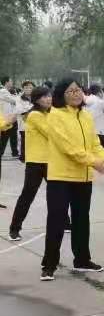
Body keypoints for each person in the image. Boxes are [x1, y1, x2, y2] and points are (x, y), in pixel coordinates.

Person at [41, 79, 104, 281]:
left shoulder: (85, 116)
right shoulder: (55, 115)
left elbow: (94, 144)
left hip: (82, 177)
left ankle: (82, 260)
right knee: (57, 220)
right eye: (71, 91)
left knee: (81, 220)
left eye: (78, 90)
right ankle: (49, 265)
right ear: (62, 94)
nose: (76, 94)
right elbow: (68, 148)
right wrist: (95, 163)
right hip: (60, 177)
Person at [9, 87, 53, 240]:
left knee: (56, 194)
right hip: (36, 162)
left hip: (50, 160)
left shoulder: (49, 113)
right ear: (36, 99)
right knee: (28, 195)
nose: (48, 99)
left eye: (49, 96)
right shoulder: (34, 115)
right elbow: (51, 133)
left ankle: (65, 223)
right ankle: (14, 228)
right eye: (44, 97)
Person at [15, 81, 33, 162]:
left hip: (34, 124)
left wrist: (27, 109)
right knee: (24, 142)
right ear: (23, 88)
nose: (28, 89)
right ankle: (23, 158)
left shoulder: (35, 97)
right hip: (23, 124)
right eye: (26, 87)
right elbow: (19, 110)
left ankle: (31, 157)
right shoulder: (19, 98)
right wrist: (30, 109)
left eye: (30, 87)